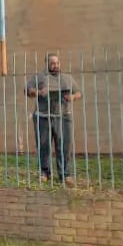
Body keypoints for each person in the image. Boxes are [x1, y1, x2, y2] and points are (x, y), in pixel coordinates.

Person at [25, 53, 82, 186]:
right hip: (43, 117)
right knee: (44, 145)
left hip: (63, 116)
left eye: (57, 63)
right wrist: (39, 92)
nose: (56, 66)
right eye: (53, 63)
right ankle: (44, 173)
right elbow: (27, 90)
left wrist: (72, 98)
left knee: (64, 146)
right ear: (47, 64)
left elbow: (79, 92)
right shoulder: (39, 77)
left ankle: (65, 174)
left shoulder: (67, 78)